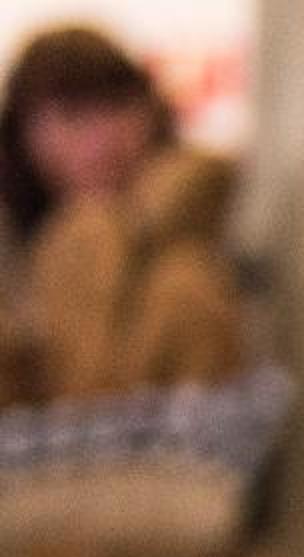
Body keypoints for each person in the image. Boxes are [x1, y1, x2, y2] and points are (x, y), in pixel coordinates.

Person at [0, 24, 243, 406]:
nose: (103, 139)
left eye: (118, 107)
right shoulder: (14, 244)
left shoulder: (188, 250)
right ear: (23, 132)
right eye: (72, 115)